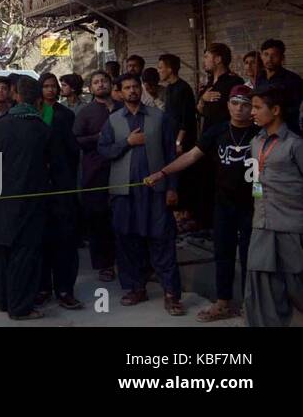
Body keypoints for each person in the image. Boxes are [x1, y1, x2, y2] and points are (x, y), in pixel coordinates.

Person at [146, 84, 257, 322]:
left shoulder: (261, 133)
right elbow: (191, 156)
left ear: (253, 108)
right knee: (223, 255)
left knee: (252, 258)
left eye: (246, 105)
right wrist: (162, 173)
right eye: (235, 103)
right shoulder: (217, 132)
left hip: (254, 207)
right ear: (227, 105)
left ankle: (251, 306)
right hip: (223, 204)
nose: (239, 109)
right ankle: (223, 303)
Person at [97, 72, 183, 314]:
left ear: (141, 89)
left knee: (162, 241)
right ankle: (136, 288)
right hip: (124, 193)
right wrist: (127, 143)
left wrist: (172, 188)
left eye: (136, 86)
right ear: (120, 92)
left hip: (155, 192)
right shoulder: (113, 121)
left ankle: (171, 294)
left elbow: (171, 154)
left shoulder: (159, 117)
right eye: (127, 87)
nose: (132, 91)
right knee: (128, 241)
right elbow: (103, 151)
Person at [0, 76, 51, 320]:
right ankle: (20, 307)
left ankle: (2, 300)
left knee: (2, 249)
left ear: (15, 95)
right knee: (24, 254)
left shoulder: (1, 125)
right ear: (38, 100)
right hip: (30, 200)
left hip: (2, 197)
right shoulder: (42, 129)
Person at [242, 85, 303, 326]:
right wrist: (258, 207)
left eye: (257, 107)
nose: (251, 113)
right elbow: (256, 181)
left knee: (296, 285)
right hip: (262, 226)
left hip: (292, 227)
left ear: (276, 110)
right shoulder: (255, 143)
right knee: (259, 287)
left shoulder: (295, 145)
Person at [37, 72, 82, 309]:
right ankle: (43, 287)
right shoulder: (33, 115)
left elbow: (73, 151)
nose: (51, 91)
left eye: (54, 86)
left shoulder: (66, 115)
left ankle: (65, 289)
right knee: (42, 240)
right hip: (39, 188)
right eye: (45, 86)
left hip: (62, 186)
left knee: (65, 240)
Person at [73, 70, 116, 281]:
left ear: (110, 84)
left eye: (104, 81)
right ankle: (104, 264)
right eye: (96, 82)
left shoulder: (122, 108)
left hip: (120, 171)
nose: (100, 85)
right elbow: (77, 139)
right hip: (95, 172)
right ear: (91, 88)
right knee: (98, 220)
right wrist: (97, 138)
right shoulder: (86, 112)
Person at [258, 39, 302, 133]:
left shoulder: (293, 79)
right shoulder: (260, 77)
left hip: (287, 130)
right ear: (261, 56)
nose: (269, 59)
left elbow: (295, 107)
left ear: (282, 57)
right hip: (264, 129)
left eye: (274, 55)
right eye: (266, 54)